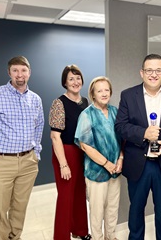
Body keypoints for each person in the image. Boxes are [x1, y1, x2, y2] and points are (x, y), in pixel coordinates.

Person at [115, 54, 161, 240]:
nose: (153, 74)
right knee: (136, 210)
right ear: (142, 73)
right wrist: (143, 134)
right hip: (138, 164)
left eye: (158, 70)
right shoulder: (128, 95)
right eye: (149, 70)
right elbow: (120, 126)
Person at [0, 56, 44, 240]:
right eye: (15, 70)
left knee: (20, 206)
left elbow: (39, 127)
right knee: (0, 208)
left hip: (28, 162)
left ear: (29, 72)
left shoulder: (35, 99)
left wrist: (36, 153)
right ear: (9, 72)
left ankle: (16, 237)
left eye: (23, 70)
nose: (19, 75)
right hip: (0, 162)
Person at [75, 76, 123, 240]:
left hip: (116, 170)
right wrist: (107, 164)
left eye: (106, 90)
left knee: (112, 207)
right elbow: (85, 145)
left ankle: (111, 236)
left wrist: (120, 159)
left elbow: (123, 140)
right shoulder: (87, 115)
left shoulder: (116, 112)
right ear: (93, 94)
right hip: (97, 172)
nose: (104, 93)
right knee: (97, 211)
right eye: (99, 90)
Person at [49, 65, 92, 240]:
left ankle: (80, 231)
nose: (75, 82)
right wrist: (63, 164)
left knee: (80, 193)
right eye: (71, 79)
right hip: (65, 153)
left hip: (82, 152)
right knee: (66, 197)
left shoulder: (85, 102)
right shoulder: (59, 103)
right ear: (65, 83)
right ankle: (61, 237)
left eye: (78, 78)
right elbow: (55, 136)